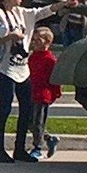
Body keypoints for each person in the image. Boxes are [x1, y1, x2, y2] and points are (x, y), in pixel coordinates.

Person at [0, 0, 70, 163]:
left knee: (27, 109)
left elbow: (44, 11)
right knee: (5, 108)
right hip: (6, 68)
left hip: (23, 69)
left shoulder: (22, 13)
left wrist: (63, 4)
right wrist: (11, 36)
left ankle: (19, 149)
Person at [28, 26, 62, 159]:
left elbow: (54, 80)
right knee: (28, 121)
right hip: (31, 92)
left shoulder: (50, 60)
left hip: (43, 95)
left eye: (38, 40)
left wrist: (54, 94)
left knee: (38, 122)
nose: (34, 42)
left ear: (48, 42)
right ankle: (49, 138)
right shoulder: (33, 57)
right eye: (33, 39)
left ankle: (37, 147)